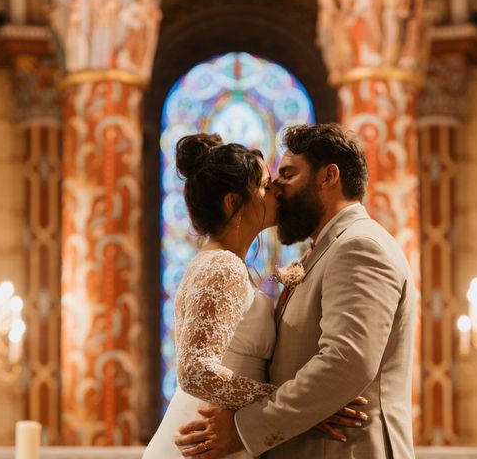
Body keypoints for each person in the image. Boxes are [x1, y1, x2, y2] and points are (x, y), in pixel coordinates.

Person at [175, 123, 416, 459]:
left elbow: (346, 361)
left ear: (327, 177)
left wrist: (248, 426)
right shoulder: (320, 252)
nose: (278, 189)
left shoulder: (359, 246)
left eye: (287, 175)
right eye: (268, 183)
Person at [142, 132, 364, 459]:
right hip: (207, 438)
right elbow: (195, 371)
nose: (275, 191)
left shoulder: (220, 262)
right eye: (263, 185)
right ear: (233, 202)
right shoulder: (223, 265)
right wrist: (295, 405)